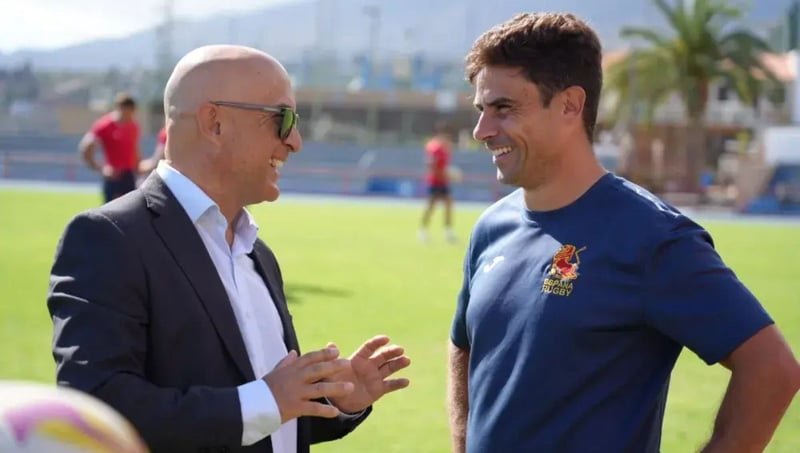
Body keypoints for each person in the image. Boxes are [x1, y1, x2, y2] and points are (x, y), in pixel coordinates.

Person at [447, 12, 800, 453]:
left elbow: (772, 369)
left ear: (570, 105)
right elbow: (463, 347)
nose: (481, 131)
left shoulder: (652, 237)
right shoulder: (491, 227)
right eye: (481, 110)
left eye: (504, 108)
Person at [48, 45, 411, 453]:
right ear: (214, 123)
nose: (295, 141)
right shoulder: (110, 238)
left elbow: (264, 417)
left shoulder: (258, 253)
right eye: (283, 119)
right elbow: (99, 412)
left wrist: (334, 401)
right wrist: (267, 401)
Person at [78, 92, 143, 203]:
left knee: (132, 209)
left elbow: (135, 149)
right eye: (127, 114)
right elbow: (86, 146)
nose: (130, 117)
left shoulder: (133, 126)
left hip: (129, 175)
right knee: (111, 210)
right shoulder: (104, 125)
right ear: (120, 109)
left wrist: (138, 168)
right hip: (114, 175)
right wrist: (100, 168)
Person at [419, 121, 456, 243]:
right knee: (430, 207)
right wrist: (445, 174)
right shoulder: (434, 147)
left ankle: (448, 231)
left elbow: (444, 165)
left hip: (443, 182)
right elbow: (431, 165)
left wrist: (448, 175)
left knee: (448, 205)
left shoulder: (446, 147)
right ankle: (423, 230)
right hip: (434, 181)